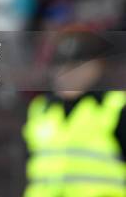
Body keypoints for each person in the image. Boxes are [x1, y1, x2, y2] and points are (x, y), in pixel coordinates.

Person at [22, 29, 126, 197]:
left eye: (75, 66)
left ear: (97, 66)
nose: (66, 73)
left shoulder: (116, 107)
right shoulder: (40, 109)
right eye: (60, 65)